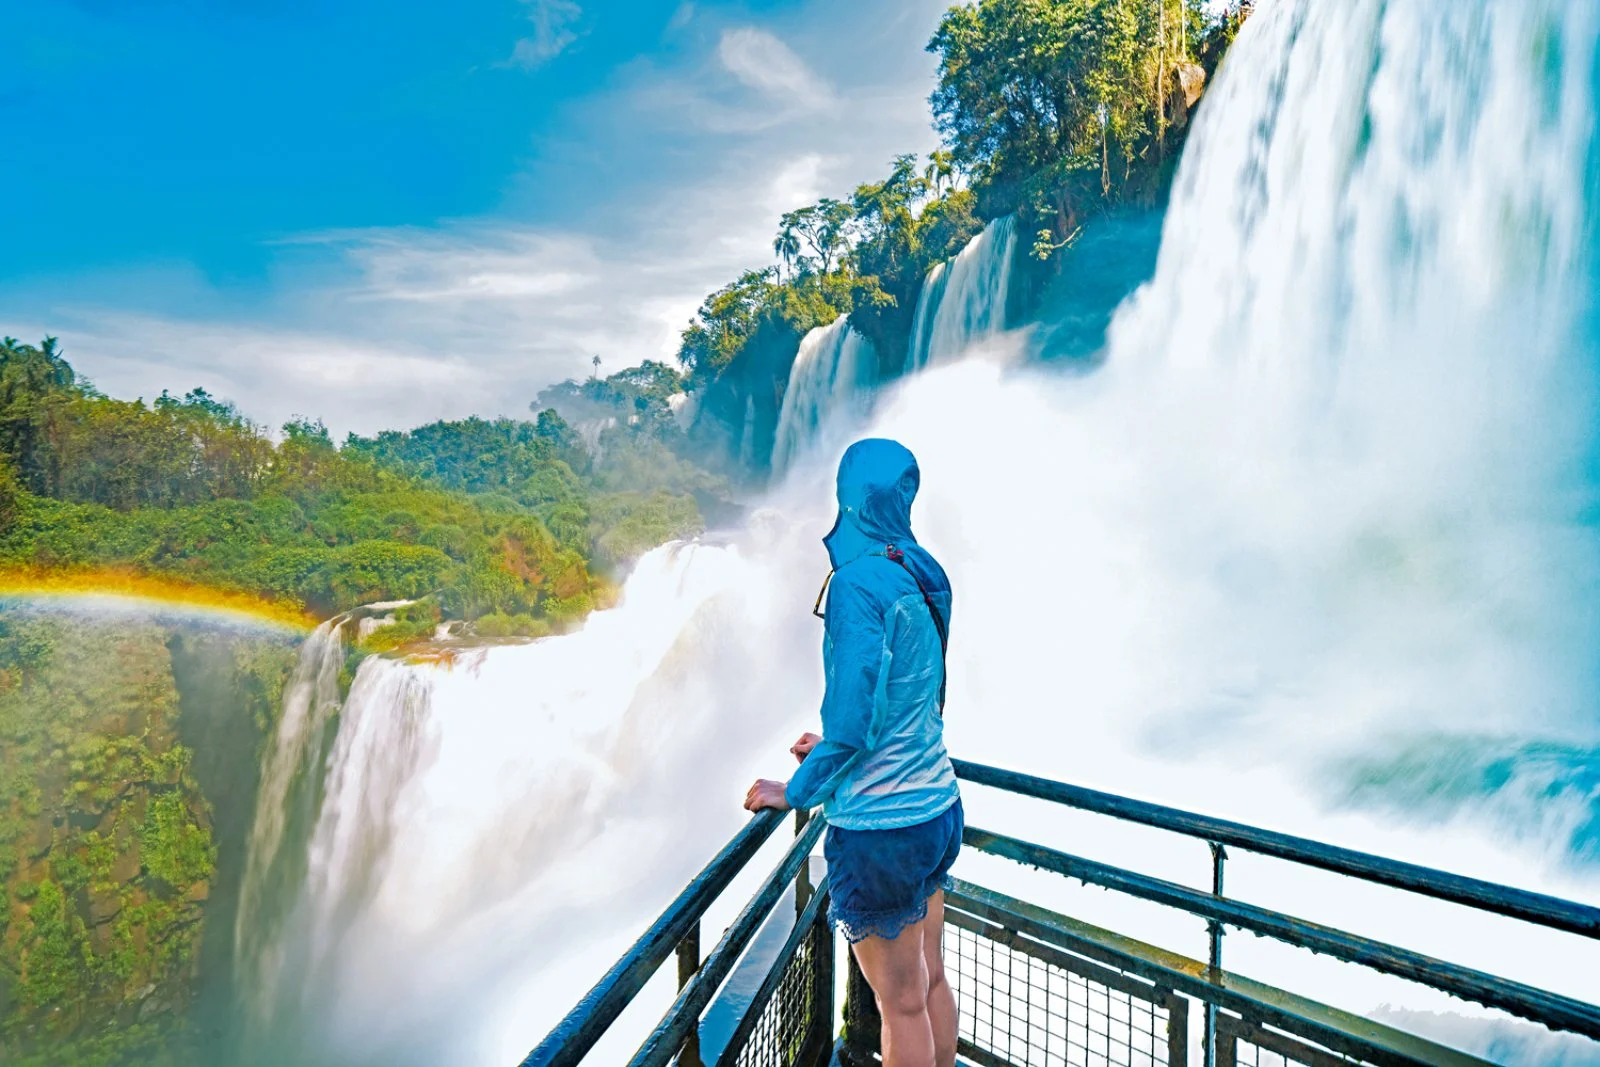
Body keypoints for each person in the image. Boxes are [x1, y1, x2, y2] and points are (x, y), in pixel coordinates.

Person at [744, 437, 961, 1067]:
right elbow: (913, 700)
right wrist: (833, 751)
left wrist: (799, 788)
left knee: (902, 1007)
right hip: (937, 808)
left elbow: (851, 722)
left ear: (849, 499)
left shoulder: (858, 585)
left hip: (883, 830)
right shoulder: (922, 575)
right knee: (929, 981)